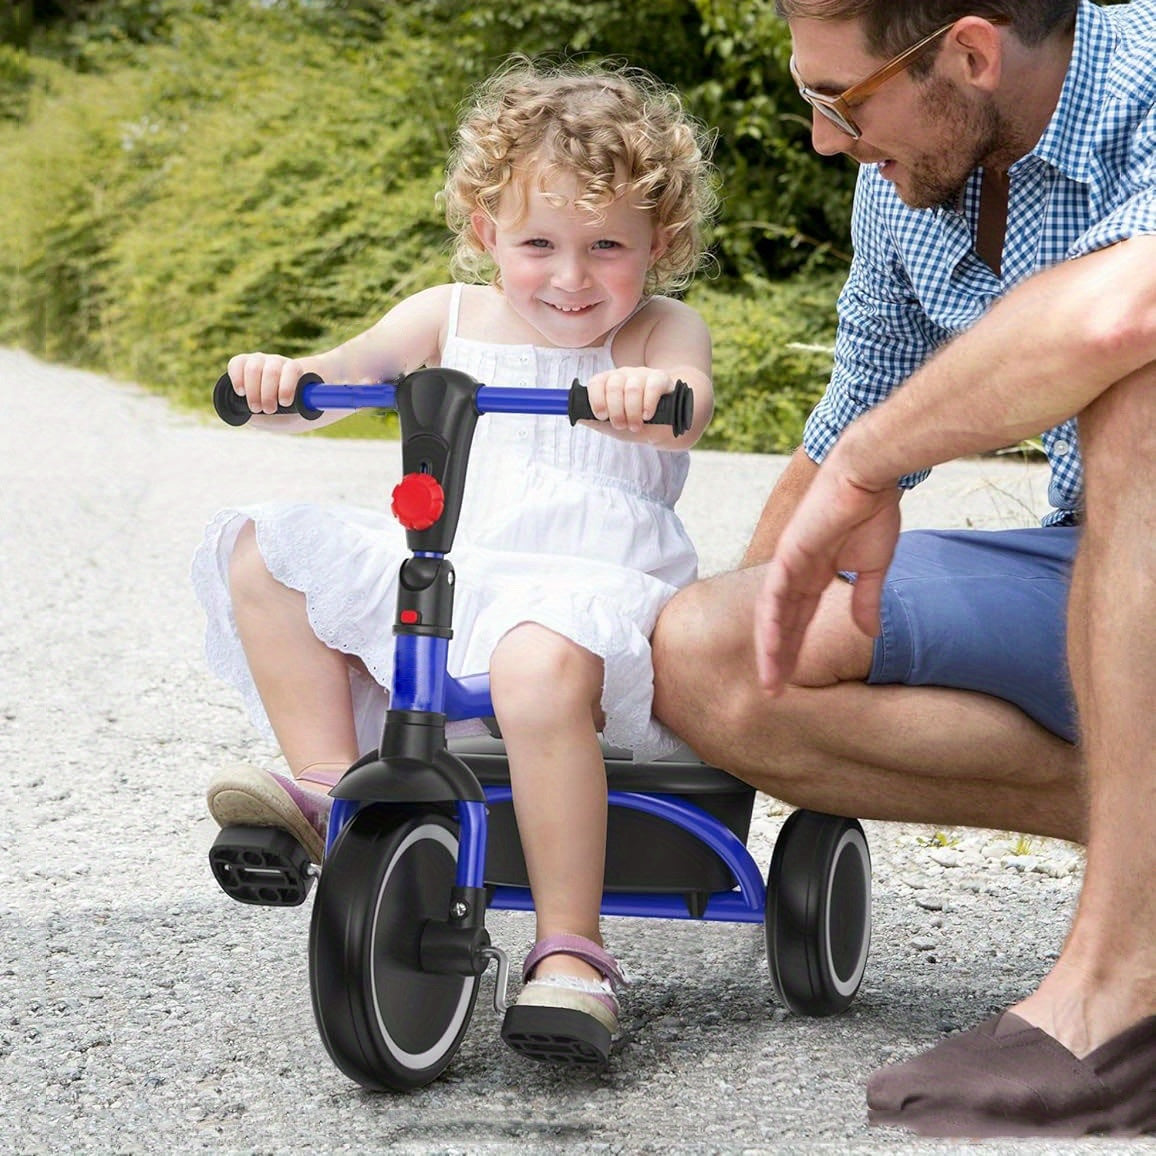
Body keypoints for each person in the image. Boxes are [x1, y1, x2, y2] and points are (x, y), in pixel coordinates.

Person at [651, 0, 1155, 1137]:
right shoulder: (908, 181)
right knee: (713, 653)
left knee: (1141, 387)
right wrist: (670, 728)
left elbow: (1122, 311)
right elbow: (854, 413)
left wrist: (875, 466)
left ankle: (1121, 994)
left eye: (839, 100)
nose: (826, 139)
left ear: (969, 53)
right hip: (1111, 570)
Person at [193, 59, 717, 1067]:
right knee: (266, 550)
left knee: (534, 661)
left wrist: (649, 395)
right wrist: (287, 381)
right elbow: (341, 378)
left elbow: (688, 405)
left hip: (582, 589)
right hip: (456, 564)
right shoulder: (446, 315)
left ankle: (571, 950)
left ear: (661, 242)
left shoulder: (658, 326)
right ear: (486, 235)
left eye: (607, 246)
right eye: (538, 245)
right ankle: (325, 783)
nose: (570, 277)